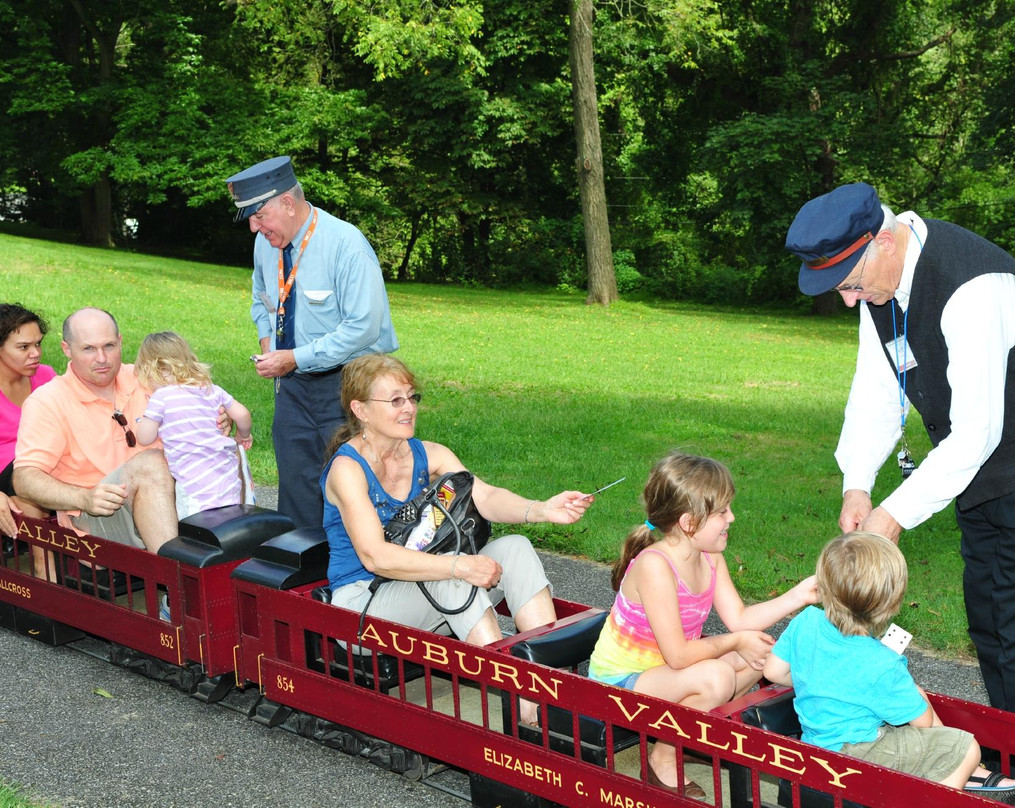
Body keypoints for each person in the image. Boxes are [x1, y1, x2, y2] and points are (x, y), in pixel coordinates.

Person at [785, 182, 1015, 729]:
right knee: (991, 621)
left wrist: (892, 515)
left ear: (885, 243)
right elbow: (878, 389)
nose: (847, 300)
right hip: (977, 477)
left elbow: (976, 433)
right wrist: (857, 482)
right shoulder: (880, 287)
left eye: (849, 284)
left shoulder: (971, 286)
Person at [321, 354, 592, 699]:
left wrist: (542, 509)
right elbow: (376, 558)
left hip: (420, 585)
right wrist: (459, 565)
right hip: (363, 600)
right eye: (395, 400)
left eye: (412, 397)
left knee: (516, 548)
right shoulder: (347, 469)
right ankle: (524, 702)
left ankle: (547, 684)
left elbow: (486, 496)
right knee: (454, 581)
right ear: (360, 410)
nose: (409, 408)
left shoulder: (428, 454)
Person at [588, 452, 818, 800]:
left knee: (760, 655)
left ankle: (693, 734)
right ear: (688, 522)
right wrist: (734, 641)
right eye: (723, 512)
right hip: (621, 681)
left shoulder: (710, 556)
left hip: (666, 673)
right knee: (719, 676)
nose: (732, 518)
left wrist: (798, 595)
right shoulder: (655, 565)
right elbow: (680, 656)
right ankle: (662, 757)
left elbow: (740, 620)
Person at [764, 532, 1015, 805]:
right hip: (861, 754)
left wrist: (824, 682)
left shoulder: (807, 621)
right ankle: (934, 797)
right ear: (891, 603)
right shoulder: (882, 663)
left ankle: (965, 779)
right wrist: (918, 695)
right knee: (963, 747)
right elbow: (923, 722)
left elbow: (773, 672)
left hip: (817, 745)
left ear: (822, 585)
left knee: (912, 737)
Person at [226, 156, 399, 530]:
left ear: (288, 204)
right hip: (291, 386)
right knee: (297, 486)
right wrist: (269, 343)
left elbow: (363, 328)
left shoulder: (346, 245)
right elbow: (261, 297)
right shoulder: (266, 244)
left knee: (353, 488)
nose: (254, 228)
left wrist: (294, 358)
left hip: (349, 384)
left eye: (259, 216)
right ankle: (302, 580)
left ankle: (363, 577)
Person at [13, 308, 181, 553]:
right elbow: (25, 479)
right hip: (97, 520)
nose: (102, 358)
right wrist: (84, 498)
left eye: (109, 346)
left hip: (164, 494)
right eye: (88, 349)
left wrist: (219, 418)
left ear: (121, 341)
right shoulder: (48, 401)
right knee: (151, 464)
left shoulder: (145, 378)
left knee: (224, 450)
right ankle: (176, 586)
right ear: (67, 349)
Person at [134, 331, 253, 519]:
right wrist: (243, 435)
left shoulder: (161, 398)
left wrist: (144, 422)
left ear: (150, 369)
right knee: (229, 522)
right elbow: (243, 414)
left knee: (195, 533)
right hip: (225, 477)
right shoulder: (211, 389)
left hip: (193, 485)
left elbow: (144, 438)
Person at [0, 304, 56, 577]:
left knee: (27, 503)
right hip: (8, 468)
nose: (35, 354)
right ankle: (44, 570)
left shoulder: (46, 377)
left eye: (38, 344)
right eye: (23, 347)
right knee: (33, 497)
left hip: (44, 458)